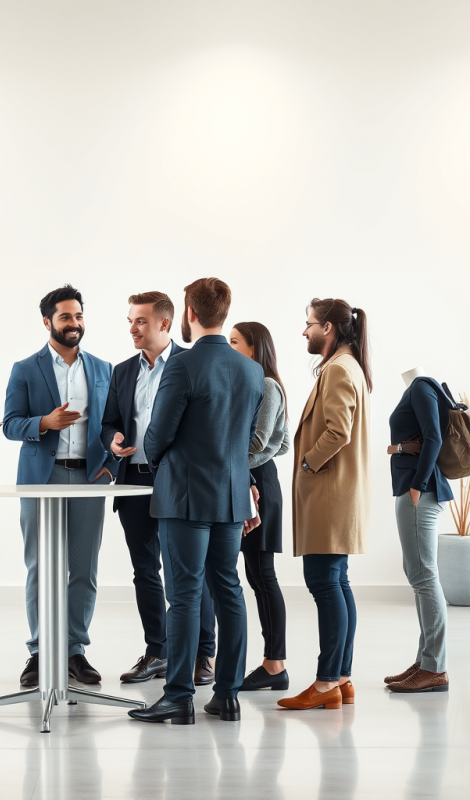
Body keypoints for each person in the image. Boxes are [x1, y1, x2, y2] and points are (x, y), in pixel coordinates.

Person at [129, 278, 264, 725]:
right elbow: (245, 440)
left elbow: (158, 436)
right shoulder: (249, 369)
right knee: (229, 591)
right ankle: (227, 695)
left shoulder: (182, 367)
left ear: (188, 312)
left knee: (184, 596)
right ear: (224, 312)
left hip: (184, 495)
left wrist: (153, 453)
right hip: (230, 495)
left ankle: (178, 696)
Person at [3, 284, 117, 687]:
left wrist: (113, 462)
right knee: (39, 566)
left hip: (90, 476)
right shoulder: (25, 369)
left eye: (79, 315)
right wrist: (44, 424)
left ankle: (74, 651)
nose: (74, 323)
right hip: (41, 477)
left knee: (83, 568)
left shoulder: (103, 369)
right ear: (47, 321)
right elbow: (11, 424)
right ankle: (38, 652)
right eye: (66, 316)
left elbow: (113, 426)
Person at [101, 291, 216, 686]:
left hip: (178, 480)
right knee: (145, 570)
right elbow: (108, 422)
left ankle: (203, 654)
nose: (132, 328)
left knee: (190, 570)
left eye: (141, 321)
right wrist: (112, 439)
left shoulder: (189, 364)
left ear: (165, 324)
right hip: (133, 479)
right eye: (130, 320)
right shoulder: (121, 371)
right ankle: (158, 651)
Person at [277, 298, 371, 712]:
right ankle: (343, 677)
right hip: (338, 494)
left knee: (324, 583)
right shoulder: (349, 365)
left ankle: (326, 681)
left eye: (310, 325)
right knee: (337, 583)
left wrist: (307, 462)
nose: (305, 332)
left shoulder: (337, 369)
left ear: (329, 328)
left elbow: (338, 431)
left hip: (329, 494)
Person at [229, 322, 291, 691]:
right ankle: (273, 663)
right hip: (252, 479)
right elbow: (279, 445)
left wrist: (228, 462)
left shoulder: (266, 386)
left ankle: (275, 664)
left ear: (253, 349)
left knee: (262, 576)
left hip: (259, 486)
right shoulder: (254, 385)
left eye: (234, 342)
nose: (229, 347)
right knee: (255, 575)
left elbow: (259, 443)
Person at [385, 368, 452, 693]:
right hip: (416, 490)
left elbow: (434, 437)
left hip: (421, 493)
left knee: (424, 576)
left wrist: (417, 485)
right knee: (418, 574)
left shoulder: (422, 386)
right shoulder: (418, 389)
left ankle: (434, 668)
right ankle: (425, 660)